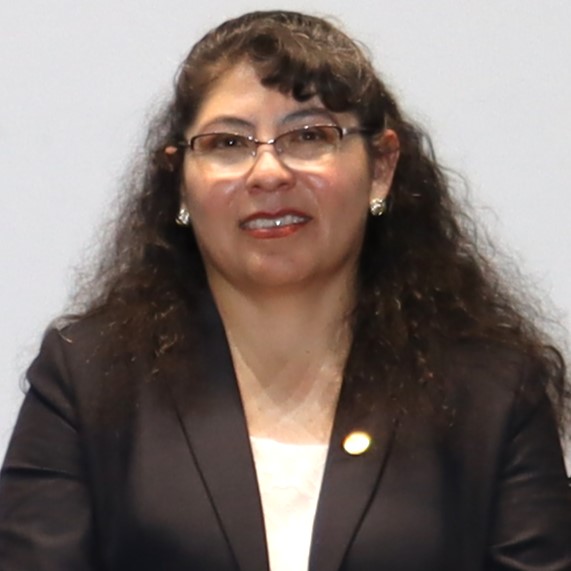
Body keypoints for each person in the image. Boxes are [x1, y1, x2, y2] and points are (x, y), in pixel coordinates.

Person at [0, 9, 570, 571]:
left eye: (309, 136)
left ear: (381, 167)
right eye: (228, 143)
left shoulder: (490, 393)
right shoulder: (90, 380)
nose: (268, 173)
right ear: (179, 180)